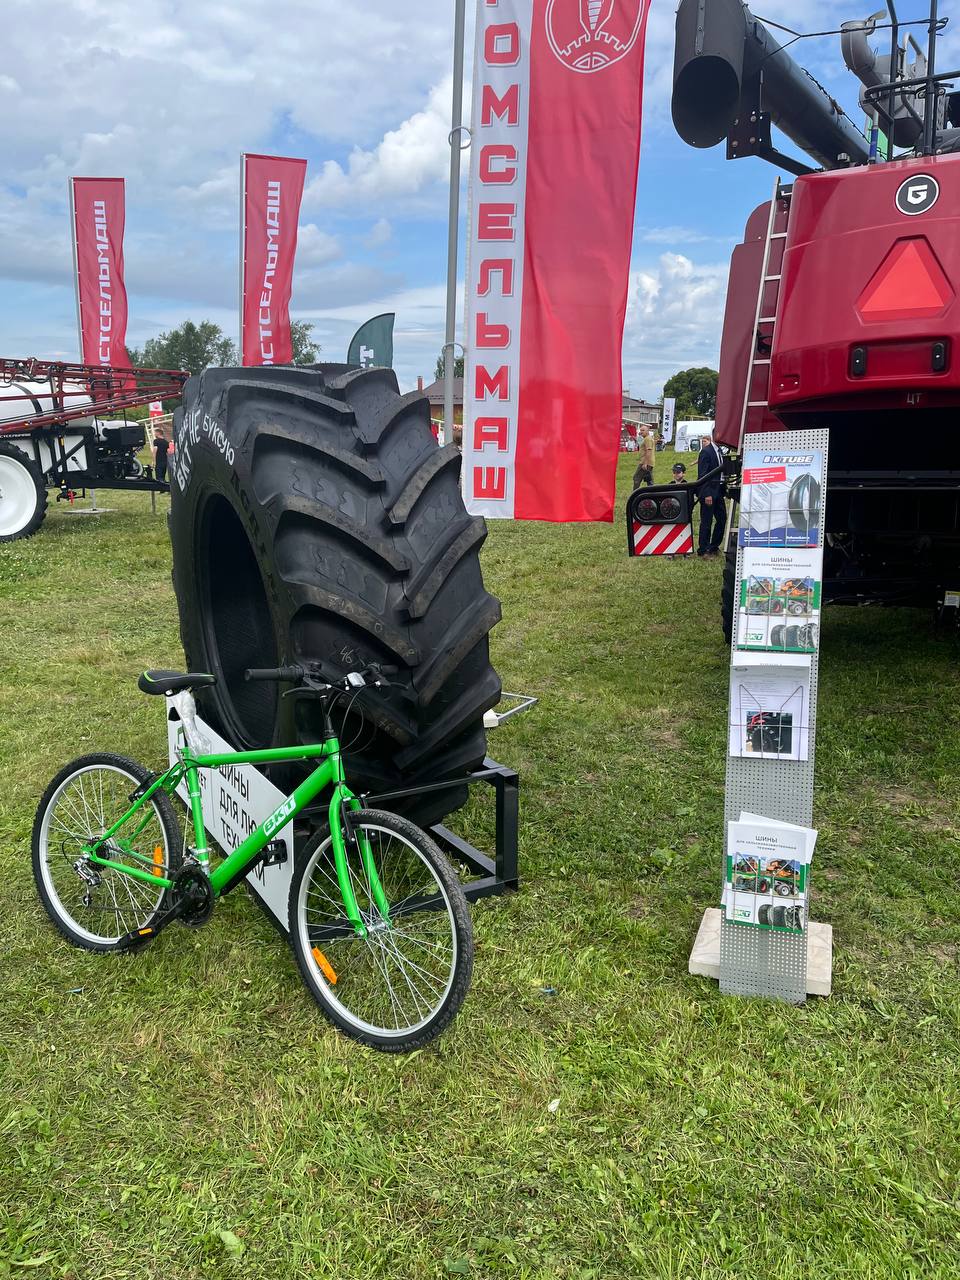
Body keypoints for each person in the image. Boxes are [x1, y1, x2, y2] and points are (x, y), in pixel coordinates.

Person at [697, 435, 726, 556]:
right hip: (709, 491)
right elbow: (702, 474)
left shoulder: (721, 451)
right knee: (706, 521)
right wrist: (707, 494)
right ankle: (703, 549)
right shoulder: (706, 451)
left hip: (719, 491)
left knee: (722, 519)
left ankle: (714, 547)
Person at [632, 424, 656, 489]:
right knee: (649, 479)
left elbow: (649, 451)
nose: (641, 432)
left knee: (636, 478)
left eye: (643, 430)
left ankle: (635, 493)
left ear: (647, 431)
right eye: (640, 430)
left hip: (645, 462)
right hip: (649, 462)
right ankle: (652, 492)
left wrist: (645, 463)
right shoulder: (646, 438)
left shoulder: (647, 439)